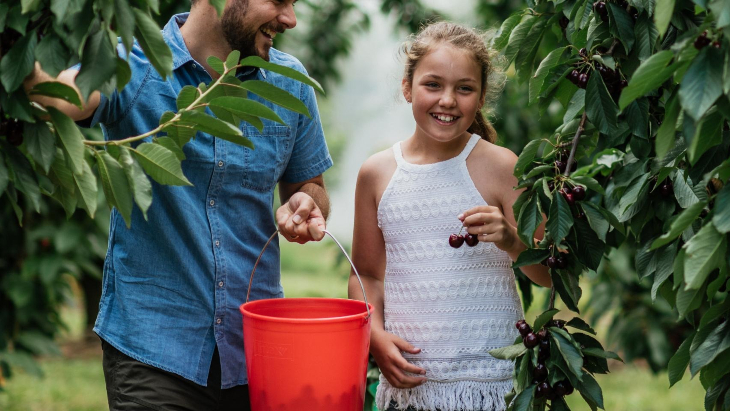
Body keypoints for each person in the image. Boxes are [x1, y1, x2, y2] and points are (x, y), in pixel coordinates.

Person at [23, 0, 332, 409]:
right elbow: (55, 98)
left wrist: (306, 203)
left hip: (255, 351)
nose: (290, 19)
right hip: (154, 349)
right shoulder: (133, 64)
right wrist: (17, 37)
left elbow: (311, 185)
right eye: (277, 1)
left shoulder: (289, 81)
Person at [348, 21, 552, 411]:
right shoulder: (377, 174)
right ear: (407, 87)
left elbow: (550, 272)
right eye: (433, 84)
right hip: (410, 382)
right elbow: (367, 275)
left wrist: (511, 239)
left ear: (480, 96)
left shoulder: (501, 166)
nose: (447, 100)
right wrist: (374, 335)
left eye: (464, 88)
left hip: (490, 386)